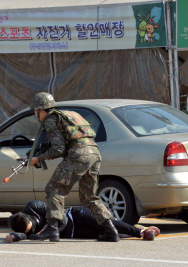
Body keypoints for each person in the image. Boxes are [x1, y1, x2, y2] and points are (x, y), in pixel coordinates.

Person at [27, 92, 119, 242]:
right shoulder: (68, 115)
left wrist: (37, 158)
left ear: (40, 110)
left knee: (54, 189)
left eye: (35, 111)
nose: (35, 115)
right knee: (89, 197)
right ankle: (111, 230)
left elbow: (58, 149)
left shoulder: (50, 120)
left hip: (78, 155)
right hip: (94, 153)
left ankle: (52, 229)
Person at [5, 200, 160, 242]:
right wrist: (16, 236)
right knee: (109, 234)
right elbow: (27, 235)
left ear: (28, 218)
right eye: (27, 231)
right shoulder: (23, 229)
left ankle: (142, 232)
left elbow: (59, 215)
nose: (31, 230)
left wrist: (46, 229)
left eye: (30, 227)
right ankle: (135, 228)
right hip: (74, 233)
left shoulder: (33, 207)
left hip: (75, 216)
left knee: (105, 223)